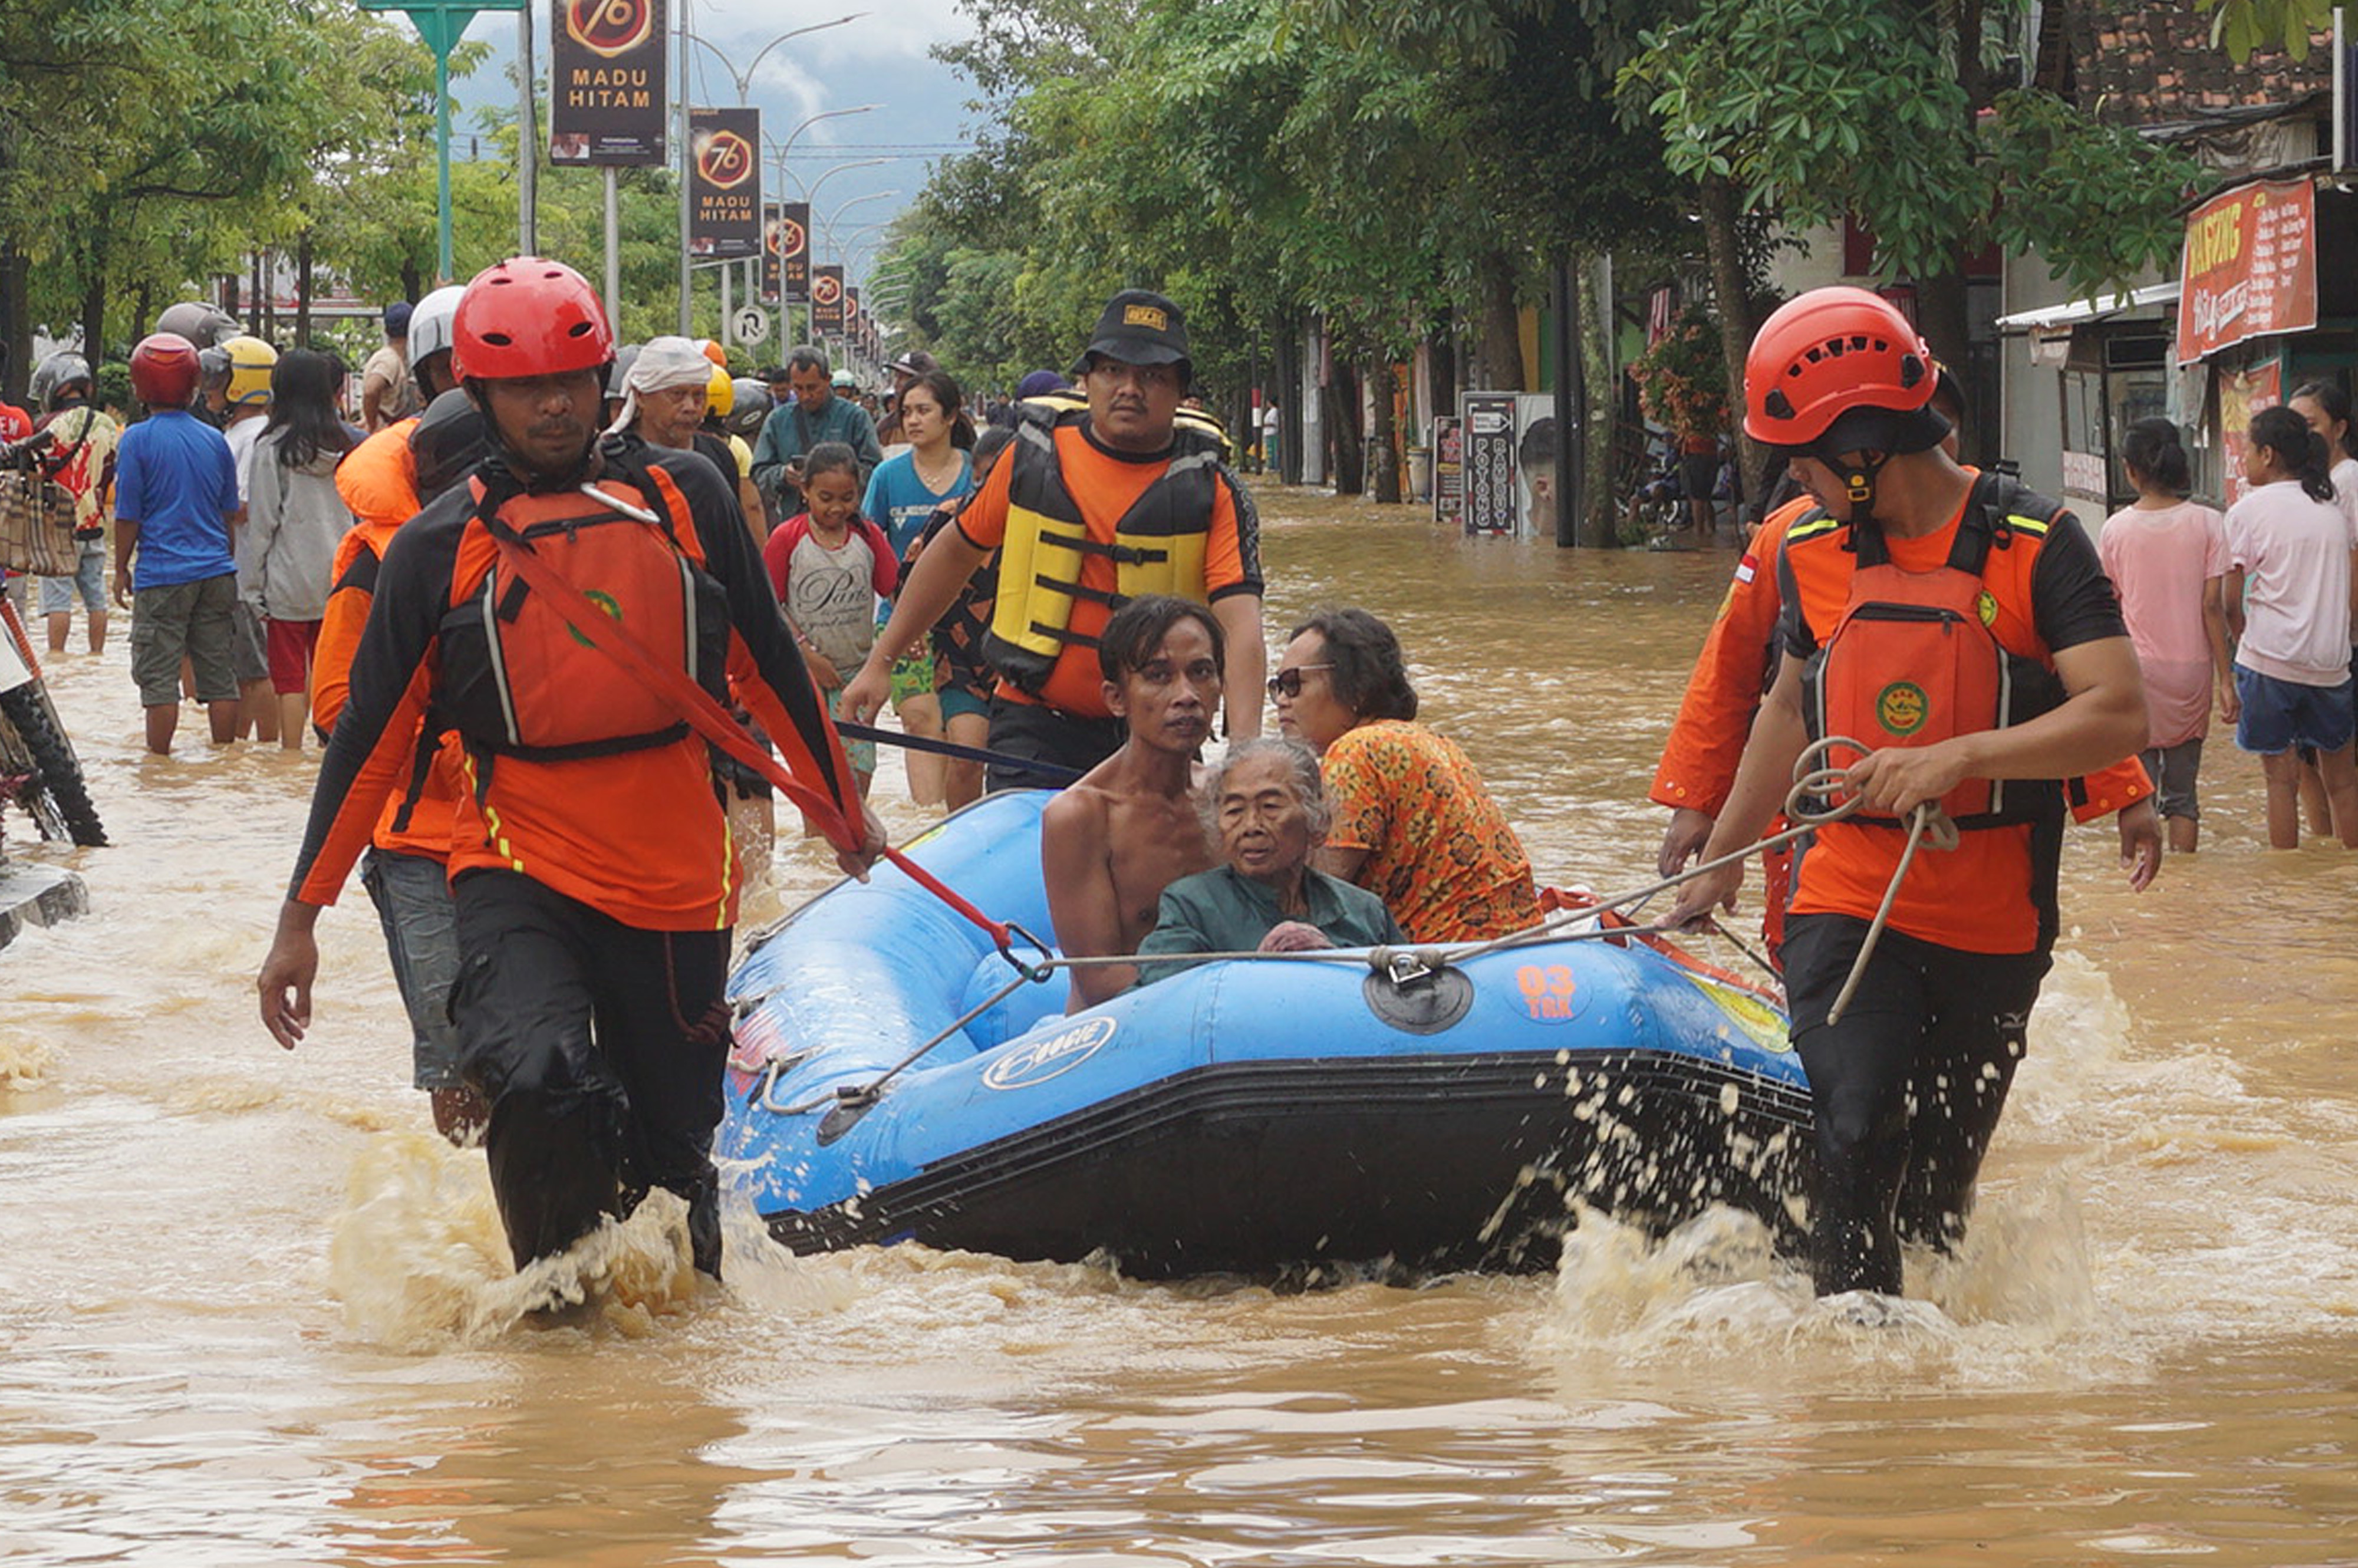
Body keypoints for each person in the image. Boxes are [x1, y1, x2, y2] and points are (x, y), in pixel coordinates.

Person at [258, 256, 881, 1287]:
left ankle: (679, 1362)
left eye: (572, 381)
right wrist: (300, 921)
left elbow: (765, 666)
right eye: (523, 386)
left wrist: (840, 814)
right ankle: (556, 1326)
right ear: (477, 394)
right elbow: (367, 742)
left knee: (676, 1155)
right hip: (515, 858)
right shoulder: (433, 545)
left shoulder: (685, 497)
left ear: (605, 383)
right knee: (537, 1078)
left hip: (674, 866)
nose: (552, 405)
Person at [1664, 286, 2149, 1299]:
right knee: (1851, 1126)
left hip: (1992, 919)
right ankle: (1859, 1392)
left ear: (1863, 449)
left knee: (1932, 1200)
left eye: (1801, 458)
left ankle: (1926, 1414)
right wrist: (1720, 861)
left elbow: (2117, 712)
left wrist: (1961, 759)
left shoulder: (2038, 542)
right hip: (1846, 895)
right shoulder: (1806, 548)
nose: (1791, 482)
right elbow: (1787, 711)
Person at [1651, 365, 2159, 961]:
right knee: (1810, 963)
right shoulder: (1795, 538)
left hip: (1970, 865)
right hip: (1825, 823)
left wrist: (2127, 790)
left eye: (1942, 427)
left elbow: (2050, 685)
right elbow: (1734, 674)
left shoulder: (2020, 538)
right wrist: (1701, 805)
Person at [842, 289, 1267, 790]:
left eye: (1152, 376)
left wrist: (1244, 754)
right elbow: (955, 554)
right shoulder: (1031, 460)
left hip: (1159, 736)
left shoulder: (1212, 491)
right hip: (1034, 725)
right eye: (1113, 371)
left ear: (1180, 393)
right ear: (1086, 381)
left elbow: (1241, 629)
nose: (1129, 389)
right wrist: (880, 663)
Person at [317, 388, 490, 1144]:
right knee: (452, 1050)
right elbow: (334, 708)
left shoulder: (540, 542)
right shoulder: (374, 567)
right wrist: (445, 742)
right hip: (416, 841)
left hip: (525, 829)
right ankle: (465, 1197)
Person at [1270, 606, 1539, 943]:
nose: (1281, 700)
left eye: (1294, 684)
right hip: (1520, 941)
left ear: (1356, 689)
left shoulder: (1355, 751)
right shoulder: (1432, 740)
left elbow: (1323, 893)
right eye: (1277, 686)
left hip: (1451, 956)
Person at [1039, 595, 1226, 1010]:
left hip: (1228, 1014)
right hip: (1124, 1031)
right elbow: (1100, 978)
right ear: (1116, 699)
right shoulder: (1082, 816)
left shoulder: (1228, 798)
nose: (1186, 696)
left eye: (1201, 673)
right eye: (1159, 676)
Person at [1134, 738, 1407, 986]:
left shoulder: (1364, 910)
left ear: (1318, 821)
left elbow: (1413, 993)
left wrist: (1335, 964)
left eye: (1270, 807)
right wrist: (1258, 970)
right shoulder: (1191, 905)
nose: (1251, 826)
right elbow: (1161, 987)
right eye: (1234, 811)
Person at [2223, 404, 2358, 849]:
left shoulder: (2248, 510)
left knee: (2280, 783)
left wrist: (2242, 640)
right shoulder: (2331, 507)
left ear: (2267, 453)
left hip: (2270, 660)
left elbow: (2228, 600)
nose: (2242, 461)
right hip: (2331, 663)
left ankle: (2286, 887)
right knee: (2343, 782)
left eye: (2247, 450)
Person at [2099, 419, 2234, 855]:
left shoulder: (2115, 529)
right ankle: (2185, 891)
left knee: (2138, 793)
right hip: (2192, 672)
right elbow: (2214, 608)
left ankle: (2151, 904)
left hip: (2138, 672)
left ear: (2130, 470)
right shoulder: (2210, 523)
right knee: (2183, 798)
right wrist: (2227, 682)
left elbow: (2108, 609)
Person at [112, 332, 242, 755]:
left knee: (159, 680)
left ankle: (159, 769)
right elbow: (228, 514)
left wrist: (119, 569)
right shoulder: (214, 440)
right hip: (217, 572)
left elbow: (128, 513)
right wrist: (224, 560)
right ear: (194, 385)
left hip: (163, 576)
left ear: (139, 386)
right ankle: (225, 762)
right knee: (220, 675)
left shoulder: (136, 440)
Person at [864, 370, 976, 806]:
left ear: (950, 416)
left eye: (924, 411)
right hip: (902, 619)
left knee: (959, 729)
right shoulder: (887, 477)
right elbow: (872, 548)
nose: (912, 420)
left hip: (969, 626)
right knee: (918, 720)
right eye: (906, 412)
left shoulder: (976, 474)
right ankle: (928, 824)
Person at [763, 441, 897, 796]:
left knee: (857, 780)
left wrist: (897, 650)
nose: (838, 508)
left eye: (848, 498)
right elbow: (770, 604)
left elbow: (895, 592)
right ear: (804, 491)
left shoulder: (868, 539)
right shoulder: (787, 539)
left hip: (856, 675)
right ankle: (816, 851)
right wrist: (807, 653)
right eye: (826, 498)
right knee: (819, 785)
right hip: (804, 675)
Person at [242, 348, 357, 750]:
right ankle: (328, 757)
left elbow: (262, 525)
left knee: (289, 678)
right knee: (330, 673)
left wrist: (251, 588)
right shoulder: (348, 446)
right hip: (340, 576)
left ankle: (291, 759)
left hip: (289, 579)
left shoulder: (272, 449)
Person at [903, 424, 1015, 810]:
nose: (987, 491)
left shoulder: (1037, 523)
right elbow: (912, 577)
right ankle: (961, 836)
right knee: (967, 758)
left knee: (1012, 770)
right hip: (958, 659)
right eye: (980, 479)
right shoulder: (951, 517)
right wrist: (910, 633)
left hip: (1019, 661)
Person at [28, 351, 120, 656]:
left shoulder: (49, 424)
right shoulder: (107, 425)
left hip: (57, 529)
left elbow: (29, 468)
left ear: (58, 386)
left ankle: (57, 658)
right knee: (97, 600)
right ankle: (97, 657)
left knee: (58, 601)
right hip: (94, 526)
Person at [219, 334, 281, 742]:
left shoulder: (248, 437)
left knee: (254, 671)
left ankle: (263, 746)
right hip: (252, 568)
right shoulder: (257, 430)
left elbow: (244, 505)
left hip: (247, 570)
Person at [750, 345, 883, 521]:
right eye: (798, 388)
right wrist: (783, 475)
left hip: (845, 523)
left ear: (828, 380)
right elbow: (758, 473)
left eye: (813, 388)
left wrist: (838, 479)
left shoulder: (855, 418)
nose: (806, 396)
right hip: (795, 523)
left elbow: (874, 471)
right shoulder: (778, 420)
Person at [360, 302, 420, 431]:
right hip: (381, 432)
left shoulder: (394, 358)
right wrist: (373, 425)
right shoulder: (389, 360)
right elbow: (371, 390)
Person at [1260, 398, 1280, 477]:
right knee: (1269, 451)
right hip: (1268, 433)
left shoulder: (1274, 411)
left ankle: (1274, 466)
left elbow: (1274, 423)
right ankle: (1271, 465)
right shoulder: (1271, 411)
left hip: (1272, 433)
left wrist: (1265, 425)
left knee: (1272, 451)